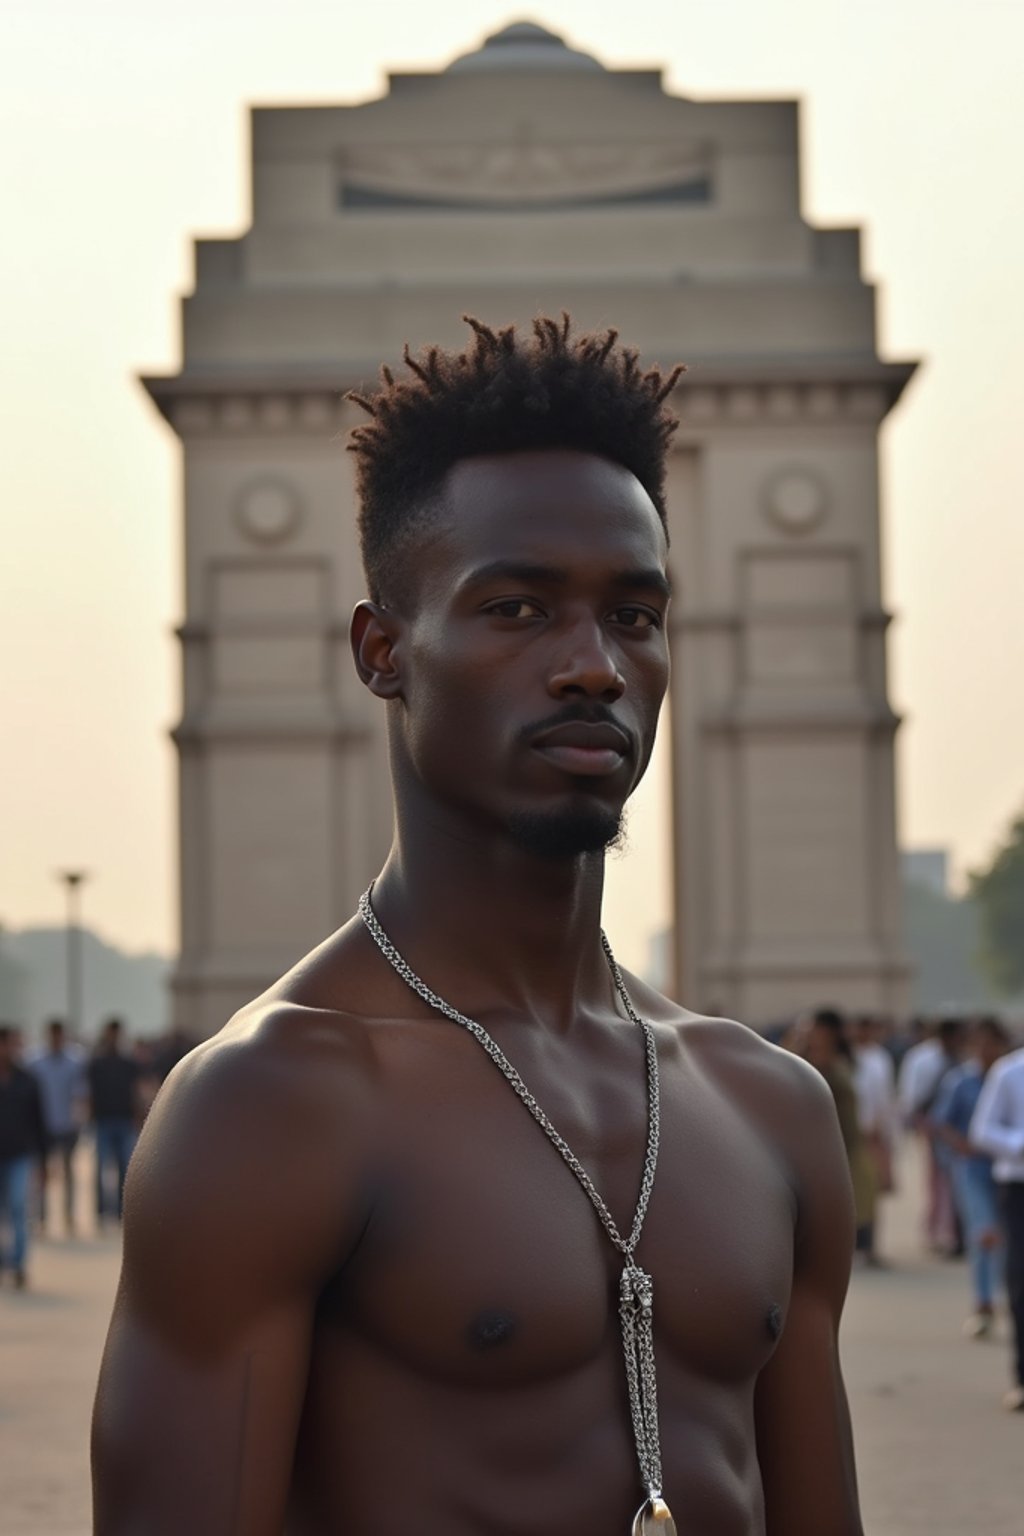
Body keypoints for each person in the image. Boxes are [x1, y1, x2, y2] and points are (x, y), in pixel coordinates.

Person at [93, 316, 864, 1535]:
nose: (593, 665)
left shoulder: (768, 1104)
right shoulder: (271, 1108)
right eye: (516, 609)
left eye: (635, 613)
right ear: (383, 650)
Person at [931, 1017, 1010, 1338]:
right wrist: (960, 1144)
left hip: (1007, 1171)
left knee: (1008, 1238)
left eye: (991, 1042)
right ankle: (984, 1303)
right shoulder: (961, 1081)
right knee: (984, 1234)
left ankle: (1003, 1296)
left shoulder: (1010, 1077)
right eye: (979, 1043)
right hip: (973, 1169)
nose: (985, 1050)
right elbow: (942, 1121)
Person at [969, 1038, 1024, 1411]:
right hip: (1018, 1187)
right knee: (1021, 1281)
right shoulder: (1010, 1071)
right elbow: (982, 1130)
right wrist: (1019, 1143)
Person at [800, 1009, 877, 1261]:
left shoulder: (842, 1060)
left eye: (814, 1028)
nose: (810, 1033)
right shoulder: (805, 1061)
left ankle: (859, 1247)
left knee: (859, 1195)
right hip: (819, 1144)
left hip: (848, 1139)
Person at [898, 1016, 966, 1254]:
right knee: (937, 1182)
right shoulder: (923, 1059)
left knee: (955, 1181)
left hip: (958, 1126)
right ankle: (938, 1230)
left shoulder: (962, 1057)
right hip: (932, 1125)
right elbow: (913, 1097)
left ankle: (955, 1231)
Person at [26, 1017, 87, 1234]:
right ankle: (41, 1217)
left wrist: (80, 1118)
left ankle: (68, 1215)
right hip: (43, 1125)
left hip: (68, 1124)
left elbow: (81, 1093)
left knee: (69, 1172)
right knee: (41, 1173)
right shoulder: (34, 1062)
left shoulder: (75, 1060)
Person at [0, 1023, 46, 1289]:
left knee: (18, 1206)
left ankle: (18, 1263)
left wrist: (43, 1159)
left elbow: (38, 1122)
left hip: (20, 1154)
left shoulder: (27, 1081)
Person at [850, 1015, 897, 1265]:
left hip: (874, 1135)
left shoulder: (880, 1058)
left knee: (873, 1193)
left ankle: (870, 1246)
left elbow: (885, 1098)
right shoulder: (846, 1058)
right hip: (850, 1136)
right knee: (853, 1194)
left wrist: (885, 1132)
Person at [88, 1018, 139, 1225]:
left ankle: (120, 1210)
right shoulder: (97, 1063)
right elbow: (90, 1094)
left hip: (124, 1120)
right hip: (103, 1120)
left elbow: (135, 1092)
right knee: (100, 1168)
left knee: (124, 1168)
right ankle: (101, 1211)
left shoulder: (128, 1063)